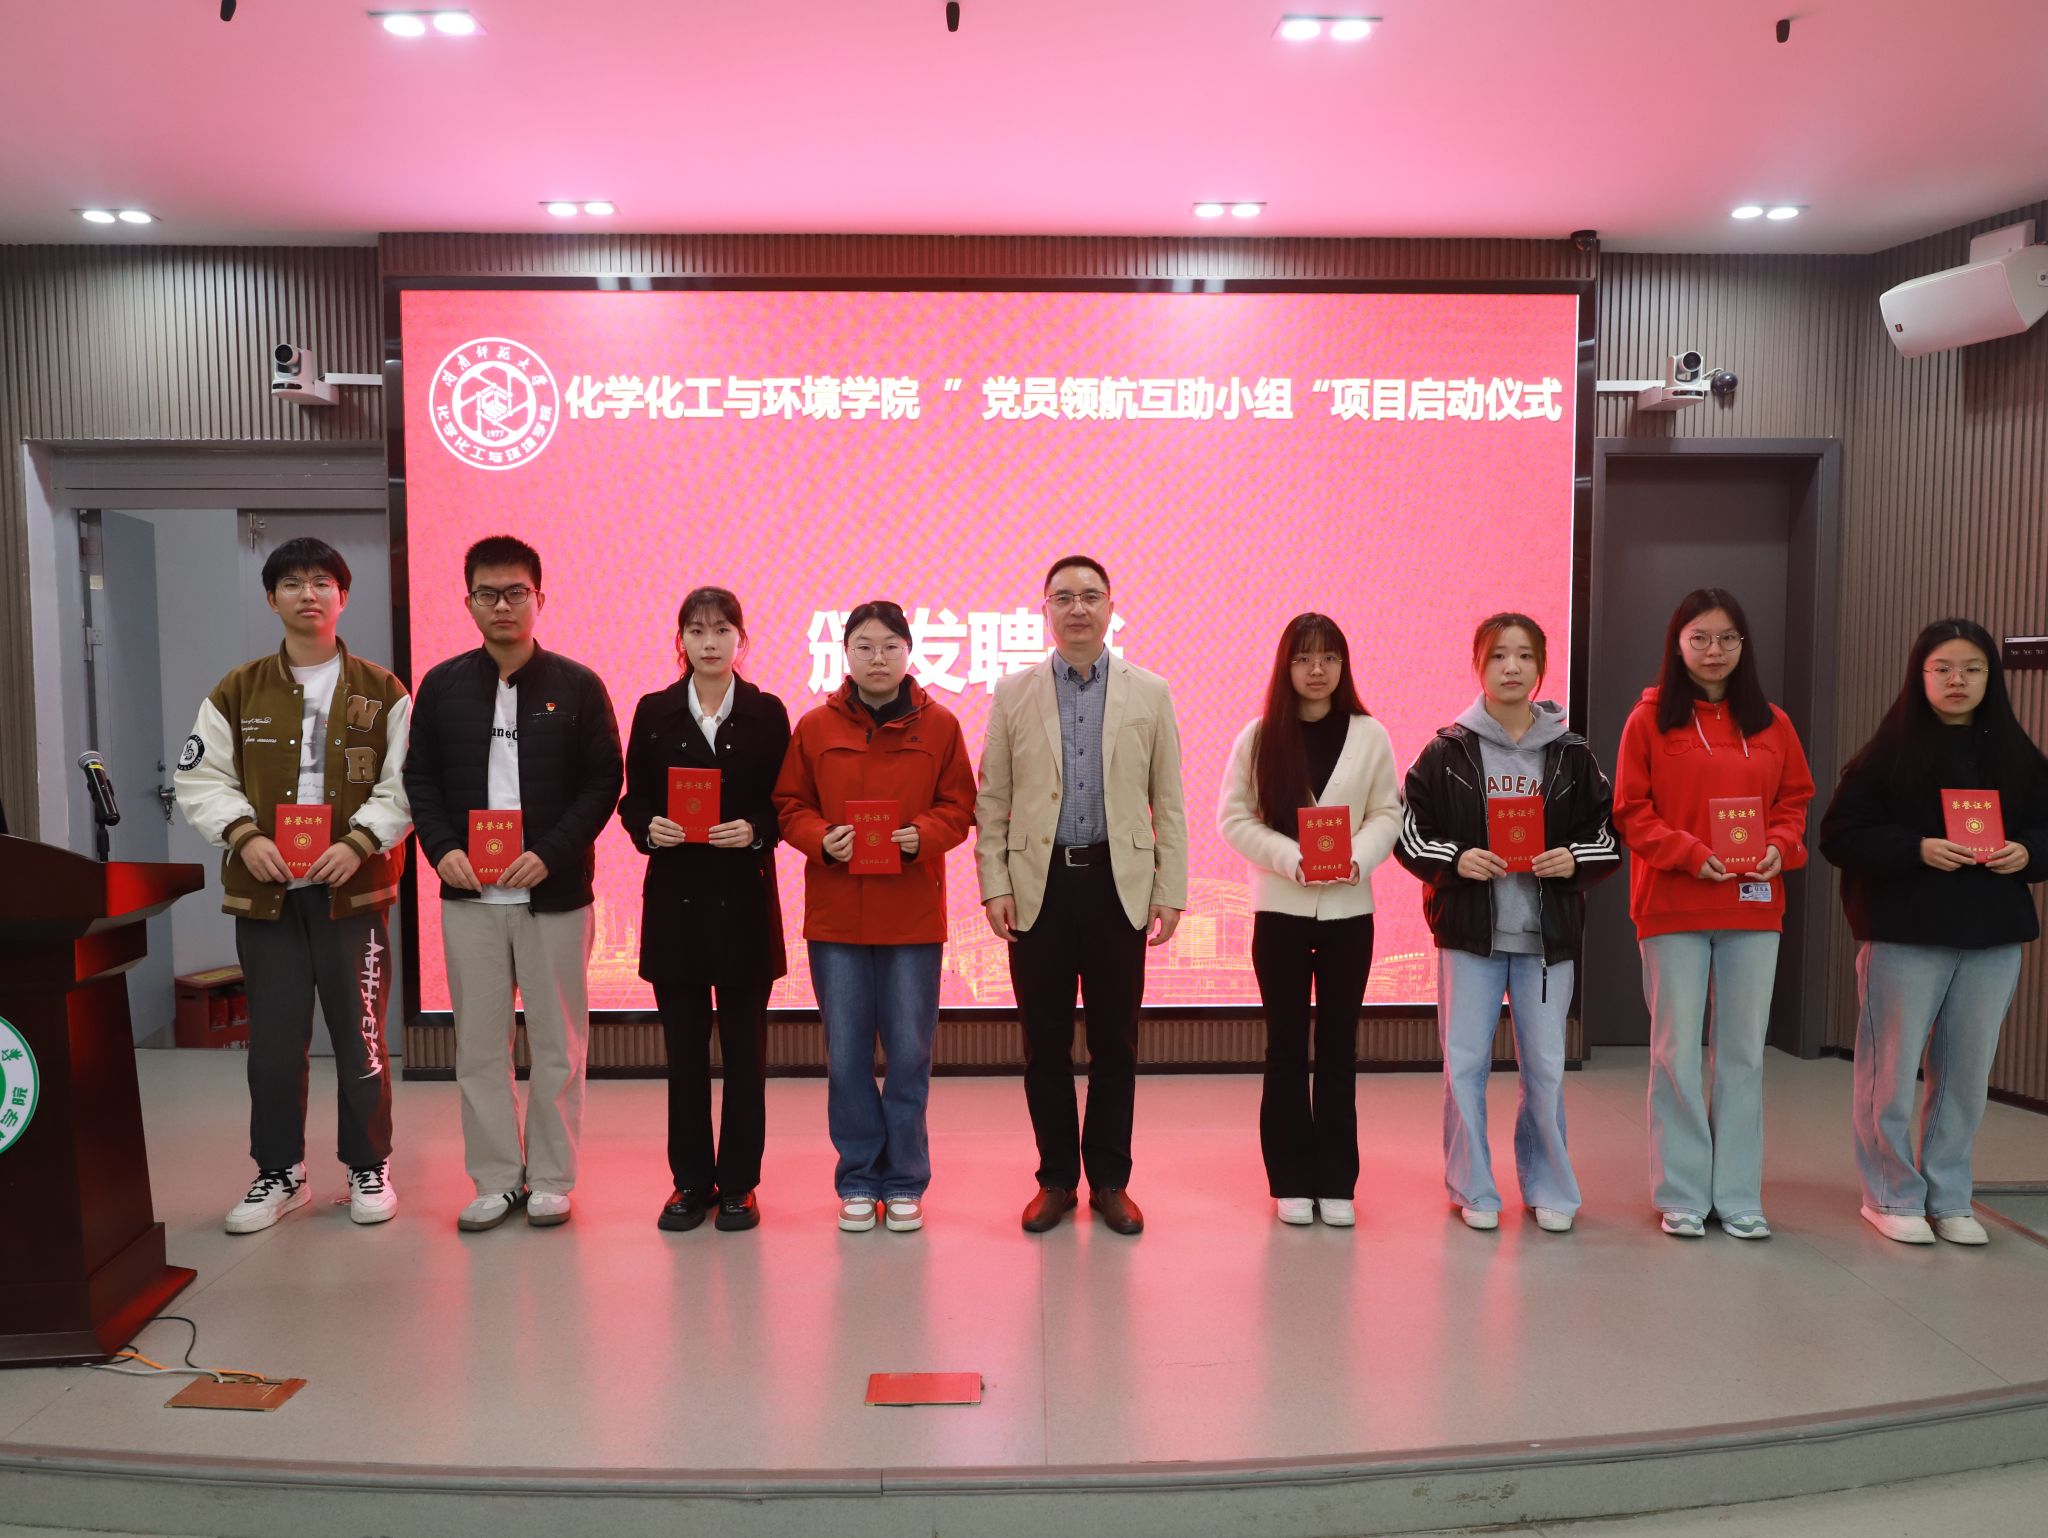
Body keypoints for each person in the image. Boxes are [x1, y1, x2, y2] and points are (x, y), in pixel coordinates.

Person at [174, 537, 412, 1233]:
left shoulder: (383, 690)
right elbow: (201, 777)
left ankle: (369, 1165)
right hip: (267, 896)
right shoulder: (237, 688)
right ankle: (280, 1172)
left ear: (343, 596)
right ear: (271, 599)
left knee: (361, 1039)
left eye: (321, 582)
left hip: (352, 894)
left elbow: (404, 784)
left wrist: (359, 840)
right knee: (274, 1047)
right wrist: (244, 835)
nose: (308, 594)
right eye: (292, 583)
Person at [403, 536, 622, 1233]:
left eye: (516, 592)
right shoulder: (441, 686)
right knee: (478, 1046)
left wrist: (551, 854)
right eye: (488, 594)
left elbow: (603, 782)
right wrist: (441, 849)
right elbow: (418, 779)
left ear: (539, 598)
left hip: (553, 896)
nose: (502, 605)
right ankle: (496, 1179)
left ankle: (552, 1178)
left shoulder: (578, 685)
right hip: (470, 896)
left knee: (559, 1044)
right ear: (468, 602)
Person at [976, 555, 1187, 1236]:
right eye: (1063, 597)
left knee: (1115, 1044)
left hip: (1116, 886)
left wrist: (1170, 890)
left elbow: (1168, 800)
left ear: (1110, 608)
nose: (1077, 609)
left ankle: (1111, 1181)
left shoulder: (1149, 691)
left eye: (1090, 596)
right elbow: (993, 799)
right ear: (1045, 610)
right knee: (1044, 1045)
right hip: (1038, 886)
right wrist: (994, 884)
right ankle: (1056, 1180)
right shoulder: (1014, 692)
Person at [1820, 619, 2048, 1245]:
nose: (1957, 680)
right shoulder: (1887, 753)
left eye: (1972, 669)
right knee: (1889, 1075)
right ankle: (1890, 1194)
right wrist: (1916, 848)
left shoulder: (2018, 754)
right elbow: (1839, 836)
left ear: (1990, 678)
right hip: (1905, 934)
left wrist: (2028, 852)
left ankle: (1949, 1196)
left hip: (1992, 938)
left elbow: (2046, 831)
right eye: (1942, 668)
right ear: (1919, 676)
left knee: (1965, 1079)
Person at [1394, 613, 1619, 1234]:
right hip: (1469, 935)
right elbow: (1409, 832)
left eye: (1523, 656)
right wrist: (1455, 859)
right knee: (1464, 1064)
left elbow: (1606, 834)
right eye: (1498, 656)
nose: (1511, 667)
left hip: (1547, 940)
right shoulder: (1446, 751)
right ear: (1479, 665)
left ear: (1540, 666)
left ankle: (1549, 1186)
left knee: (1544, 1068)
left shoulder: (1572, 753)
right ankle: (1473, 1187)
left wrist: (1573, 858)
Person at [1613, 588, 1815, 1240]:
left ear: (1742, 646)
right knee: (1676, 1053)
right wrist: (1689, 854)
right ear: (1677, 645)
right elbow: (1631, 811)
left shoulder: (1773, 723)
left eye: (1727, 638)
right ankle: (1681, 1193)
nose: (1714, 650)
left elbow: (1795, 802)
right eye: (1699, 637)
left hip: (1753, 907)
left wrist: (1780, 847)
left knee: (1743, 1054)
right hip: (1672, 904)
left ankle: (1737, 1196)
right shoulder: (1647, 721)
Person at [773, 601, 977, 1234]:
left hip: (911, 916)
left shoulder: (940, 725)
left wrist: (922, 835)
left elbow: (960, 806)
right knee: (847, 1056)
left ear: (910, 652)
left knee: (910, 1053)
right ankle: (859, 1176)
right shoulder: (814, 726)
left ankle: (906, 1179)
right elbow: (789, 805)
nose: (878, 658)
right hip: (837, 918)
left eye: (890, 646)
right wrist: (820, 838)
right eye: (864, 646)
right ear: (845, 654)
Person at [1217, 613, 1401, 1227]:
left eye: (1329, 658)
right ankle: (1292, 1179)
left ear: (1343, 665)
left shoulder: (1370, 734)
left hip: (1350, 911)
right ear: (1285, 667)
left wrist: (1358, 857)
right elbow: (1234, 818)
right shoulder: (1259, 737)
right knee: (1286, 1046)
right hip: (1280, 912)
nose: (1317, 670)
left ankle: (1338, 1180)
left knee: (1340, 1047)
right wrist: (1289, 858)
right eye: (1303, 658)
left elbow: (1387, 813)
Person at [617, 587, 790, 1234]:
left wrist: (756, 829)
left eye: (722, 630)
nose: (710, 642)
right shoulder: (655, 710)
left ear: (742, 639)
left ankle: (740, 1184)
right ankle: (690, 1182)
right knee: (684, 1055)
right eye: (697, 630)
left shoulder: (767, 712)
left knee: (745, 1055)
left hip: (743, 899)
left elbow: (787, 802)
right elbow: (632, 799)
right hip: (677, 903)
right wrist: (648, 827)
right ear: (680, 640)